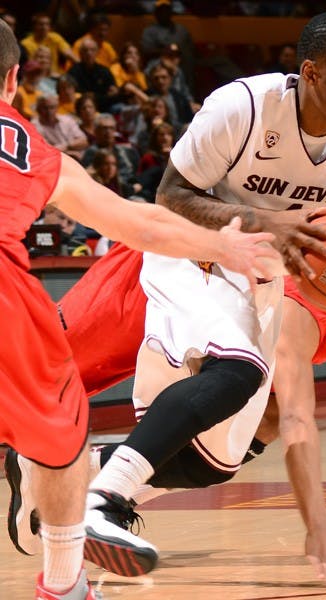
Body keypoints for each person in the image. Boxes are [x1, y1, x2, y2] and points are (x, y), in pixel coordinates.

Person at [29, 10, 326, 579]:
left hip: (260, 273)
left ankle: (81, 471)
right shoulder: (241, 107)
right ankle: (102, 501)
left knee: (215, 461)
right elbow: (169, 194)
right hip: (193, 248)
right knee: (240, 370)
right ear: (312, 72)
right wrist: (261, 219)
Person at [8, 248, 326, 592]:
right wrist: (319, 528)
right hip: (152, 278)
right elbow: (300, 422)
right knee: (37, 369)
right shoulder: (302, 313)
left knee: (226, 450)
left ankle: (88, 489)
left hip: (203, 300)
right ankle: (85, 484)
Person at [0, 17, 279, 600]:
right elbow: (138, 220)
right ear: (12, 81)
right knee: (61, 441)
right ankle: (64, 581)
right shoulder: (22, 141)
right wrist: (223, 246)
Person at [21, 12, 79, 77]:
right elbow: (27, 66)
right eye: (41, 24)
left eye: (47, 24)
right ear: (34, 26)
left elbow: (71, 56)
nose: (44, 27)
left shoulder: (55, 37)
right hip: (35, 76)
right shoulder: (25, 43)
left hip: (56, 76)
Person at [32, 94, 89, 161]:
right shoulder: (34, 126)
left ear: (57, 108)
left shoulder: (67, 120)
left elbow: (84, 142)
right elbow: (45, 151)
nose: (49, 111)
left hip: (79, 158)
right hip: (54, 161)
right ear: (38, 109)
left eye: (52, 107)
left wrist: (66, 146)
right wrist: (70, 152)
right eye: (45, 108)